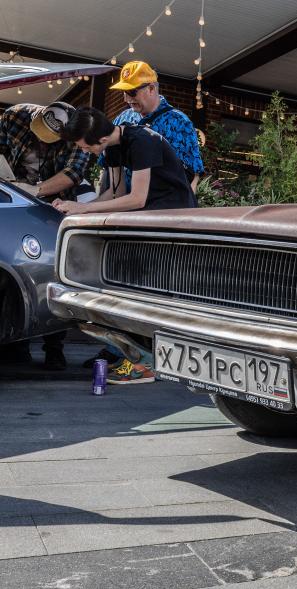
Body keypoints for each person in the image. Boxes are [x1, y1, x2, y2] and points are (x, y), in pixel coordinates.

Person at [54, 107, 197, 383]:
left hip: (173, 217)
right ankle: (138, 357)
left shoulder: (142, 140)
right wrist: (74, 208)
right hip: (150, 219)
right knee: (132, 288)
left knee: (151, 292)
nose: (84, 151)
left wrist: (83, 209)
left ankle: (149, 365)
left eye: (85, 146)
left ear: (101, 139)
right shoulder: (113, 146)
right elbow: (115, 193)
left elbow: (136, 198)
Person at [0, 102, 90, 370]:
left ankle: (55, 349)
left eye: (47, 139)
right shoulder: (14, 116)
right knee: (20, 265)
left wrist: (35, 190)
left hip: (56, 205)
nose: (40, 142)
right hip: (16, 197)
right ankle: (17, 346)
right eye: (37, 134)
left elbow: (73, 173)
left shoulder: (76, 133)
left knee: (51, 272)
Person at [107, 61, 204, 192]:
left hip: (162, 202)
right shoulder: (122, 118)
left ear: (151, 89)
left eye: (131, 92)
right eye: (124, 92)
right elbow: (108, 167)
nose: (126, 99)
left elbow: (192, 176)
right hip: (123, 202)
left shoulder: (179, 122)